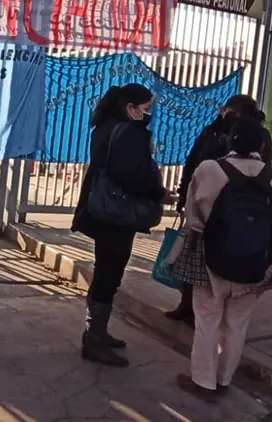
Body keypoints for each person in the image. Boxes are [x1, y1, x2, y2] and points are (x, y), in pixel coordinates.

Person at [175, 117, 272, 401]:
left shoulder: (209, 169)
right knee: (237, 324)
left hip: (210, 257)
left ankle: (203, 382)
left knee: (207, 320)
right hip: (255, 262)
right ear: (262, 145)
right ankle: (224, 379)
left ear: (229, 141)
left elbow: (193, 215)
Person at [72, 84, 176, 367]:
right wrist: (157, 192)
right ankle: (94, 339)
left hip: (104, 211)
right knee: (109, 273)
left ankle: (97, 331)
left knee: (106, 271)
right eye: (146, 109)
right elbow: (130, 174)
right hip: (117, 214)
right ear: (131, 108)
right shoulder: (128, 132)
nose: (148, 114)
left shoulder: (105, 127)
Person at [167, 94, 267, 326]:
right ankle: (187, 304)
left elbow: (262, 172)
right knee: (192, 258)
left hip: (233, 210)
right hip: (202, 203)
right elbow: (193, 162)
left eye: (228, 110)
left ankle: (210, 311)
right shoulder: (212, 131)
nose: (223, 112)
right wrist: (184, 194)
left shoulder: (255, 136)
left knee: (221, 259)